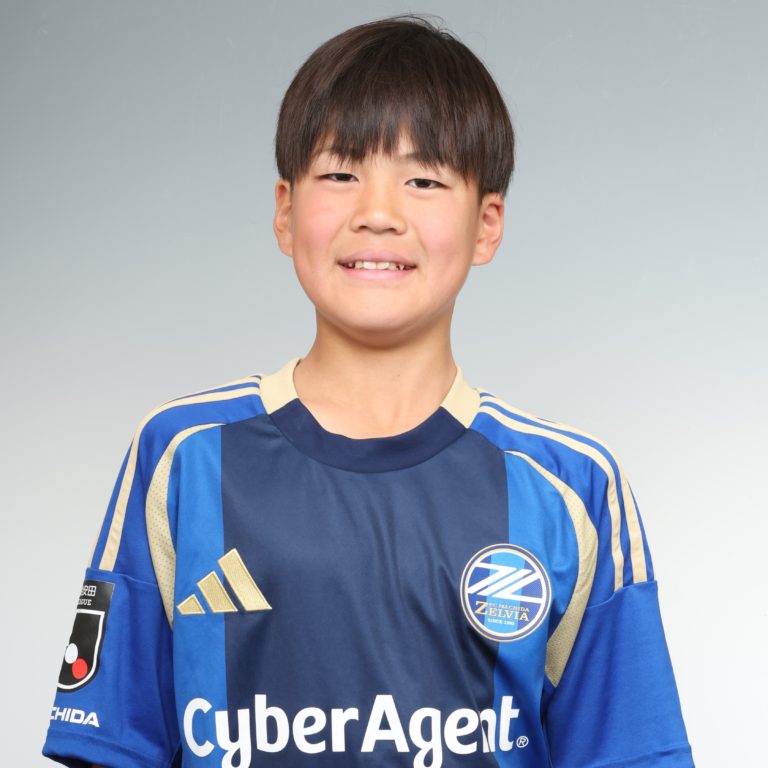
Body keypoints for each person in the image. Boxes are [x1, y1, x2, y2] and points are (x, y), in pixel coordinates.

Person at [42, 13, 694, 768]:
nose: (378, 214)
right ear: (285, 212)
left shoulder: (572, 486)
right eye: (341, 174)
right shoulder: (181, 456)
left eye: (423, 181)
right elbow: (112, 747)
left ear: (487, 225)